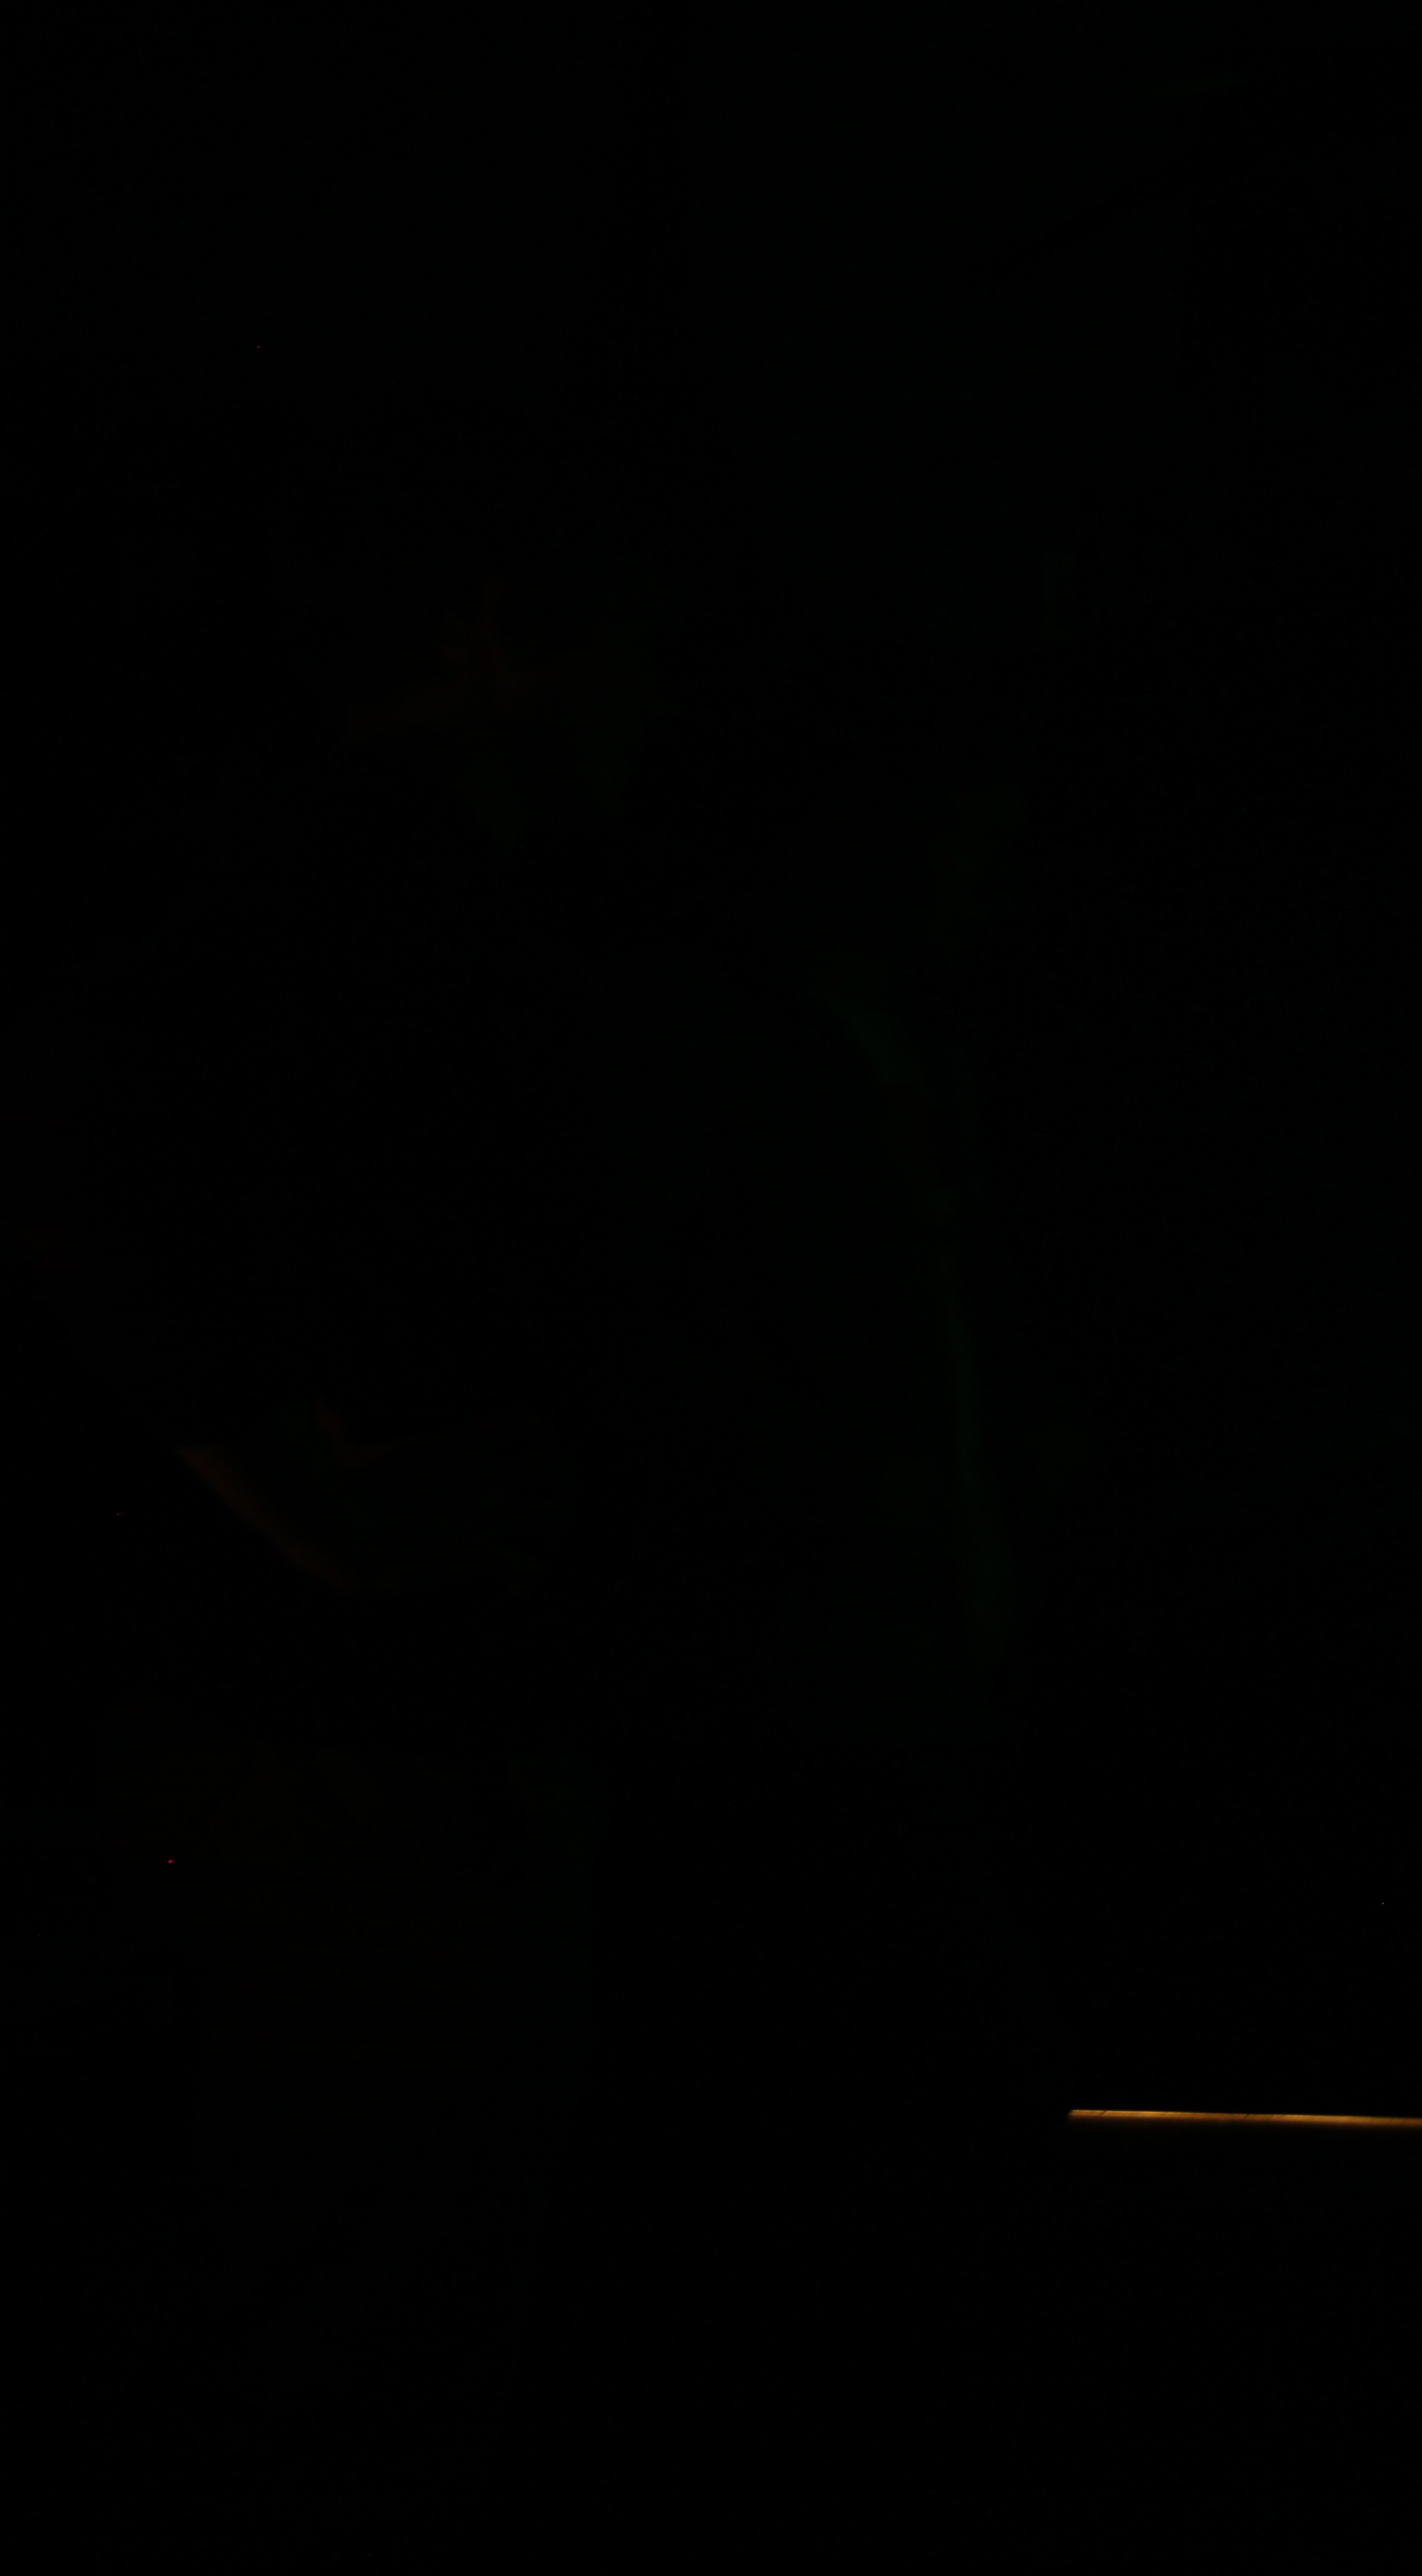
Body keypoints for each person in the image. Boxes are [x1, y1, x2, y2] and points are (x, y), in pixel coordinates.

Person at [13, 382, 1071, 2531]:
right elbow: (88, 1148)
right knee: (352, 2314)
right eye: (640, 644)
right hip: (368, 1747)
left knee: (369, 2303)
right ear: (500, 633)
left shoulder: (425, 913)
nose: (661, 703)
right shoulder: (365, 908)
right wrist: (321, 1508)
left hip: (383, 1731)